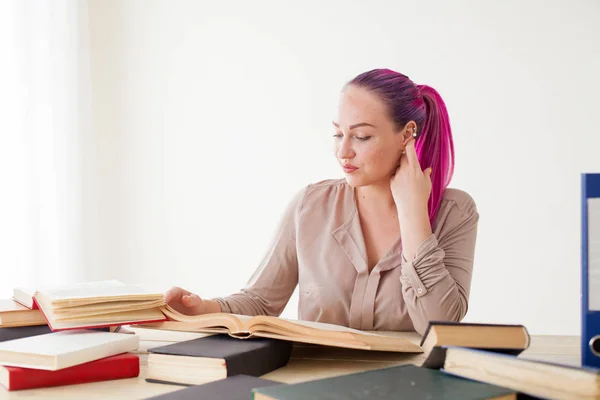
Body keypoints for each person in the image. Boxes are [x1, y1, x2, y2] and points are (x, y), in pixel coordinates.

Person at [165, 68, 479, 335]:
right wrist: (204, 310)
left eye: (362, 137)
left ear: (407, 134)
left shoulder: (455, 212)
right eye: (338, 134)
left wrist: (413, 216)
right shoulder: (311, 206)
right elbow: (261, 302)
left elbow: (439, 325)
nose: (343, 152)